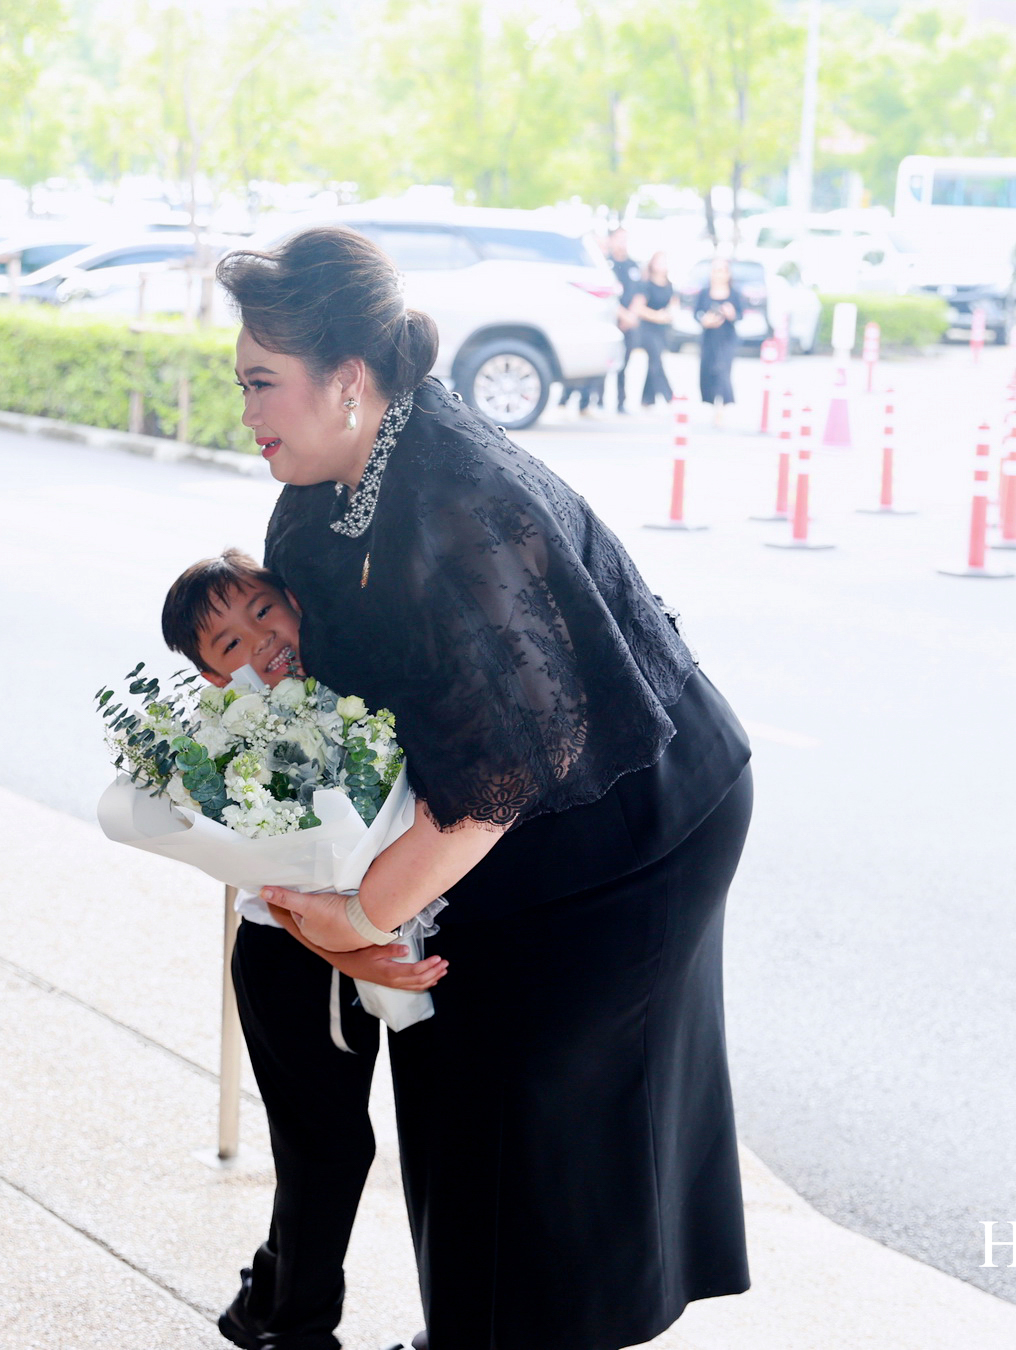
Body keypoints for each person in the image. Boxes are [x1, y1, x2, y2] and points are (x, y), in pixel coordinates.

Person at [219, 226, 755, 1350]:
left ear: (349, 381)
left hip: (631, 831)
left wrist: (365, 917)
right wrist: (330, 912)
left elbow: (498, 779)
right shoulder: (316, 493)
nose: (249, 410)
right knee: (455, 1085)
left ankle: (519, 1327)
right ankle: (476, 1321)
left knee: (534, 1115)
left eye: (264, 383)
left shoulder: (460, 503)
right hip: (498, 826)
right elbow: (352, 721)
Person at [161, 547, 446, 1350]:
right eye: (228, 645)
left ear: (291, 596)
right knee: (330, 1153)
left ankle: (264, 1298)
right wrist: (350, 951)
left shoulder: (348, 675)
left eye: (261, 611)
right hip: (289, 960)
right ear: (216, 679)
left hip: (364, 942)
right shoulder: (239, 736)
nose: (259, 641)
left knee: (324, 1152)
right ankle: (298, 1331)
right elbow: (269, 884)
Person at [695, 255, 746, 427]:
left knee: (723, 369)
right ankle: (710, 405)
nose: (719, 274)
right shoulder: (704, 292)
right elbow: (697, 313)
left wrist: (731, 314)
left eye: (723, 271)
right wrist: (705, 320)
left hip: (727, 337)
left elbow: (740, 314)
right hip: (709, 336)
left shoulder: (734, 294)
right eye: (716, 270)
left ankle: (723, 406)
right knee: (708, 369)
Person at [632, 250, 678, 407]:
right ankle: (670, 397)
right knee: (656, 361)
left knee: (654, 362)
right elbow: (638, 308)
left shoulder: (669, 285)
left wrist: (669, 315)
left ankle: (647, 399)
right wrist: (656, 316)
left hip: (662, 329)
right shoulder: (646, 284)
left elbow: (673, 305)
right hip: (647, 328)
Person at [605, 228, 641, 414]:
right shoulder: (604, 263)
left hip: (628, 322)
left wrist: (630, 316)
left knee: (624, 364)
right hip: (608, 319)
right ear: (611, 240)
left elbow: (638, 293)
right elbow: (606, 295)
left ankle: (621, 402)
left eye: (625, 239)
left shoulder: (632, 265)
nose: (622, 242)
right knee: (603, 364)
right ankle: (595, 401)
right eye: (619, 238)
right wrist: (621, 314)